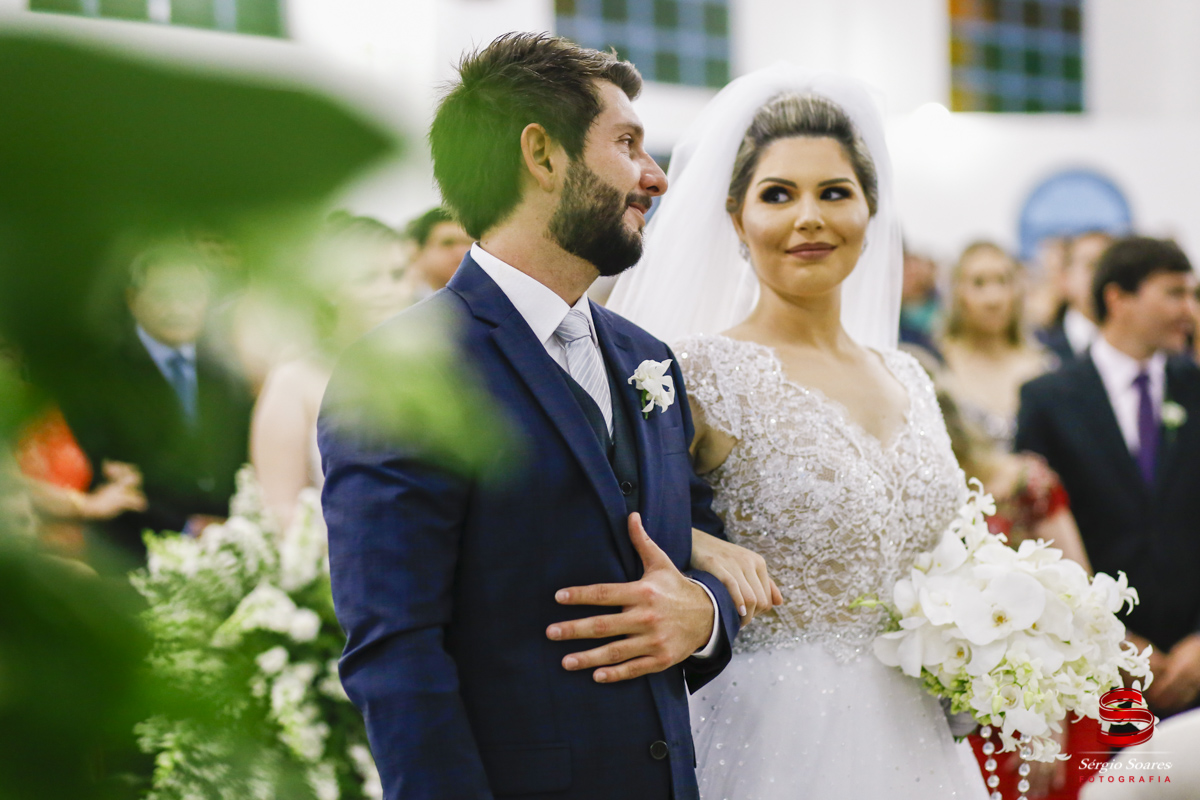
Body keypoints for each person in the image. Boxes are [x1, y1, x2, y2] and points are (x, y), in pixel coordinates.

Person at [320, 34, 766, 800]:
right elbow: (398, 655)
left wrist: (707, 615)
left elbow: (700, 548)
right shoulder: (404, 372)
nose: (655, 177)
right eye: (627, 144)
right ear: (543, 154)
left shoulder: (646, 358)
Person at [608, 67, 988, 798]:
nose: (808, 217)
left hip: (918, 731)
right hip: (766, 730)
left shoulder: (907, 375)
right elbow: (611, 513)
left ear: (870, 211)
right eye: (778, 194)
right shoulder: (696, 371)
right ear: (736, 217)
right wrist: (698, 543)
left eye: (834, 193)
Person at [1017, 236, 1200, 717]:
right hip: (1093, 670)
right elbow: (1033, 536)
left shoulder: (1196, 387)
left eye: (1193, 295)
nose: (1190, 309)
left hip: (1194, 660)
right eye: (1174, 293)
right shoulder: (1048, 398)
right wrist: (1106, 639)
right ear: (1119, 298)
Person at [939, 390, 1103, 799]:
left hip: (1039, 683)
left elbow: (1076, 593)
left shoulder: (1023, 483)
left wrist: (1047, 711)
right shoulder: (912, 499)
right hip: (956, 695)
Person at [58, 241, 254, 562]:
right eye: (163, 295)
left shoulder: (227, 371)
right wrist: (189, 526)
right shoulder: (100, 376)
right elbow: (108, 470)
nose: (178, 308)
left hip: (230, 546)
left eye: (190, 294)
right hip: (133, 552)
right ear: (133, 300)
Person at [250, 212, 416, 530]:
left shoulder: (432, 370)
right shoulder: (295, 380)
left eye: (397, 275)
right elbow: (281, 512)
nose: (388, 291)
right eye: (366, 278)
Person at [939, 241, 1054, 450]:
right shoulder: (938, 366)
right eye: (978, 283)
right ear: (957, 293)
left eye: (1002, 281)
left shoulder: (1044, 365)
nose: (993, 299)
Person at [1038, 231, 1114, 364]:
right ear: (1065, 278)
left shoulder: (1142, 345)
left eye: (1110, 267)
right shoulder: (1040, 346)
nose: (1103, 276)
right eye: (1092, 265)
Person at [405, 206, 473, 295]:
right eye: (448, 243)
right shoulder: (398, 303)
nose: (463, 251)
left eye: (470, 243)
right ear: (418, 252)